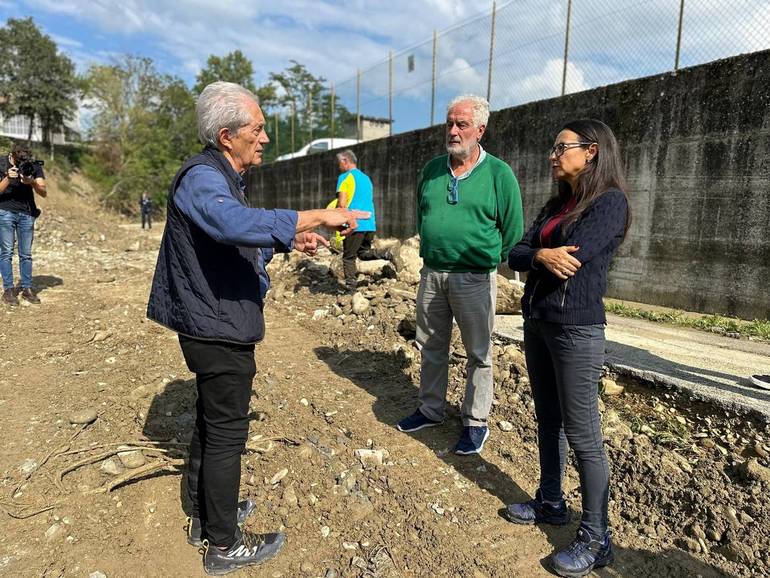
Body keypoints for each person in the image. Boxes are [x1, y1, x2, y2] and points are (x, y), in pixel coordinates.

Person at [146, 81, 368, 576]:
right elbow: (230, 224)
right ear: (227, 136)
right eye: (259, 129)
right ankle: (224, 544)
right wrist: (314, 215)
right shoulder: (202, 179)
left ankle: (207, 517)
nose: (265, 138)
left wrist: (292, 240)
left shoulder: (221, 176)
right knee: (226, 433)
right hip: (215, 324)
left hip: (214, 318)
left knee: (212, 421)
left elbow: (234, 241)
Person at [504, 119, 630, 577]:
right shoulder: (558, 204)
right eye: (553, 147)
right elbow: (514, 252)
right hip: (538, 322)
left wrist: (540, 252)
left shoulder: (609, 203)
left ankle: (597, 538)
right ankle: (551, 501)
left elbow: (573, 258)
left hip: (575, 330)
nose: (553, 155)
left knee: (584, 435)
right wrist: (538, 254)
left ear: (591, 151)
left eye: (562, 147)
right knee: (548, 419)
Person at [396, 95, 524, 455]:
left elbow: (513, 230)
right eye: (450, 123)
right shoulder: (432, 170)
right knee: (431, 346)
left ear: (480, 130)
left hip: (474, 278)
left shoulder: (499, 174)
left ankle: (475, 421)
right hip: (433, 274)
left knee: (479, 352)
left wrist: (486, 262)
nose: (453, 131)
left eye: (462, 124)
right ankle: (431, 408)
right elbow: (422, 215)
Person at [0, 143, 46, 305]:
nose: (22, 158)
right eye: (19, 155)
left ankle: (26, 289)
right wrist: (8, 177)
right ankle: (8, 290)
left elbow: (43, 191)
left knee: (26, 254)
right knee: (6, 252)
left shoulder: (31, 165)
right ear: (12, 155)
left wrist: (31, 181)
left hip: (26, 213)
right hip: (5, 212)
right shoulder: (1, 162)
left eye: (25, 154)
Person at [335, 149, 377, 292]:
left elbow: (341, 203)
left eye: (339, 163)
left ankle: (350, 289)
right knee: (363, 253)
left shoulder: (345, 177)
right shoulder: (366, 178)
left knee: (348, 257)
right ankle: (386, 253)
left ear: (345, 161)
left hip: (354, 224)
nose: (338, 166)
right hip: (369, 223)